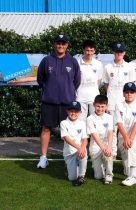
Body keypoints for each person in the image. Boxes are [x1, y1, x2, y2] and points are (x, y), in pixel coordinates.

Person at [36, 34, 81, 169]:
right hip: (49, 103)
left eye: (63, 43)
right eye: (58, 43)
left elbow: (76, 81)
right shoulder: (46, 60)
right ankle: (43, 158)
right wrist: (51, 91)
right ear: (54, 45)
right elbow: (40, 79)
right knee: (46, 129)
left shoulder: (73, 61)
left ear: (67, 45)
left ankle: (72, 158)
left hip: (67, 104)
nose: (60, 46)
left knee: (71, 131)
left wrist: (67, 92)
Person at [102, 43, 135, 158]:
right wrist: (112, 97)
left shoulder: (129, 67)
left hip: (124, 104)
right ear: (113, 53)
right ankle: (113, 153)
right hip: (111, 103)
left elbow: (131, 86)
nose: (119, 54)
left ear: (124, 53)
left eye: (121, 52)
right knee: (112, 129)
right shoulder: (107, 67)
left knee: (124, 129)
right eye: (116, 52)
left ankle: (124, 151)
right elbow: (106, 85)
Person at [115, 82, 136, 186]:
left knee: (130, 147)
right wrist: (126, 138)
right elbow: (119, 123)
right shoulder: (119, 105)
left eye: (132, 92)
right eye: (127, 92)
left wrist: (130, 139)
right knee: (125, 169)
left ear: (135, 94)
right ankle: (135, 160)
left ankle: (133, 176)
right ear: (123, 94)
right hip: (123, 138)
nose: (129, 94)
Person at [87, 95, 114, 184]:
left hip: (106, 145)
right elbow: (94, 135)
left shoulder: (109, 117)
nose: (100, 109)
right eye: (98, 106)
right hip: (95, 147)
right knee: (98, 176)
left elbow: (110, 133)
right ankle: (101, 166)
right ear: (94, 105)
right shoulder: (90, 119)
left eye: (102, 106)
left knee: (108, 154)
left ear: (106, 106)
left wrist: (109, 147)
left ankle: (109, 175)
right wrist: (103, 148)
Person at [60, 101, 88, 186]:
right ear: (67, 111)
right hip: (69, 153)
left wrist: (82, 148)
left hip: (79, 151)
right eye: (71, 111)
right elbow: (66, 138)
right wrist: (79, 147)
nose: (73, 113)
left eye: (76, 111)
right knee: (71, 178)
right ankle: (74, 166)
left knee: (84, 152)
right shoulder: (63, 123)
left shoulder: (82, 123)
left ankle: (81, 176)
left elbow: (85, 139)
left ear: (80, 112)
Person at [76, 40, 103, 122]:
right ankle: (83, 135)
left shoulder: (98, 64)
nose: (89, 53)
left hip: (94, 97)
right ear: (83, 50)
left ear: (94, 51)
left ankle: (93, 135)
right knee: (80, 122)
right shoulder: (77, 63)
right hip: (80, 97)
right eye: (87, 50)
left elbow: (99, 80)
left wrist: (94, 90)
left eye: (91, 51)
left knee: (95, 120)